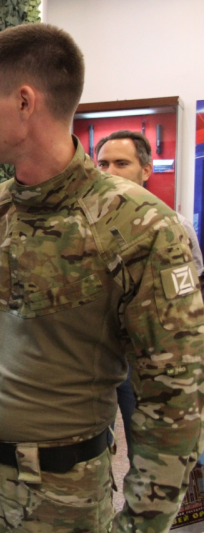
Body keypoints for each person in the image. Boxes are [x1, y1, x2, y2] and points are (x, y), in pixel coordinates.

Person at [0, 23, 203, 533]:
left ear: (24, 102)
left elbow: (174, 400)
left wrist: (142, 525)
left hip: (59, 496)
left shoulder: (141, 229)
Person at [95, 129, 204, 458]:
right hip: (94, 357)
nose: (110, 172)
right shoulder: (84, 228)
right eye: (102, 164)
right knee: (93, 451)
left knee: (150, 450)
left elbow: (191, 302)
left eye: (121, 163)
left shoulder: (171, 226)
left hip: (147, 358)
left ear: (146, 170)